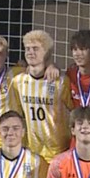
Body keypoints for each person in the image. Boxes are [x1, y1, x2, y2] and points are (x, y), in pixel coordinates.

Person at [11, 30, 71, 163]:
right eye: (27, 49)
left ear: (47, 53)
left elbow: (73, 111)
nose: (30, 52)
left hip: (58, 151)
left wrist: (53, 65)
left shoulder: (61, 81)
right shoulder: (18, 82)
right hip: (32, 152)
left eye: (36, 49)